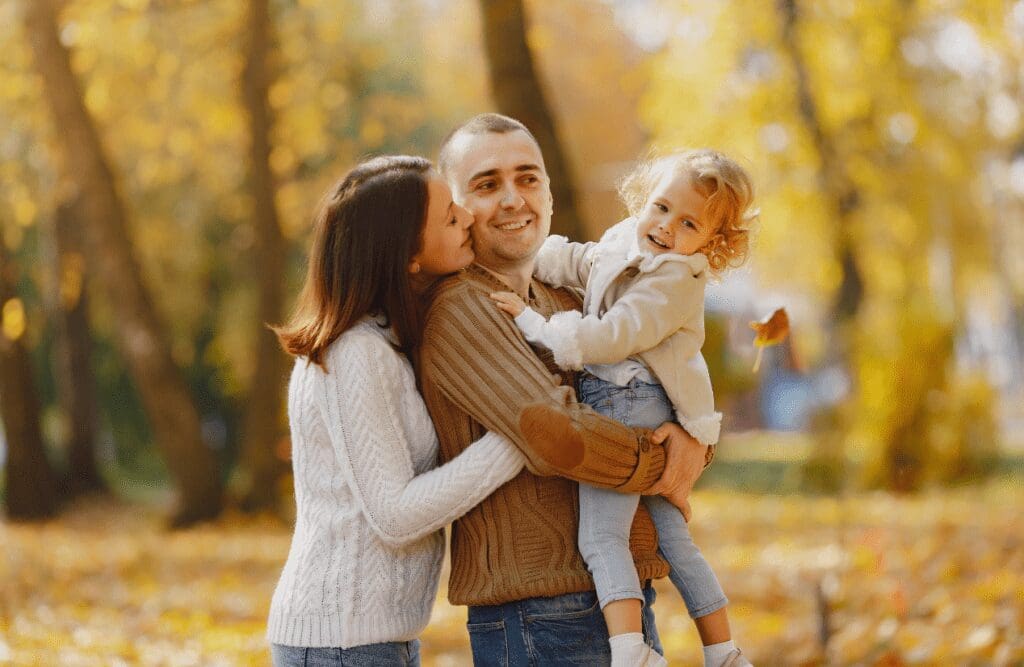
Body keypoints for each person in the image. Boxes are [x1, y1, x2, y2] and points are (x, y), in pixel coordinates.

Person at [417, 114, 713, 666]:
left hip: (615, 598)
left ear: (549, 193)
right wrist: (665, 463)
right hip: (537, 615)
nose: (513, 199)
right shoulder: (463, 309)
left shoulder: (570, 301)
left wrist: (695, 444)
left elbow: (662, 383)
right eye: (487, 185)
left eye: (528, 178)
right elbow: (559, 436)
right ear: (456, 210)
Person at [490, 149, 758, 667]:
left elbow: (617, 335)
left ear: (712, 243)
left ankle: (630, 651)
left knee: (600, 535)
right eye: (660, 207)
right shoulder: (627, 239)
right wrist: (527, 257)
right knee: (671, 537)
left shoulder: (675, 280)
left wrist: (537, 325)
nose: (664, 227)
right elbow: (583, 261)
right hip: (639, 399)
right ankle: (724, 652)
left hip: (628, 398)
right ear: (645, 198)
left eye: (688, 223)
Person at [266, 155, 531, 667]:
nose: (470, 219)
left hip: (365, 638)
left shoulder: (379, 342)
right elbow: (395, 514)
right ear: (408, 255)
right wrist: (519, 437)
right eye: (451, 217)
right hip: (343, 643)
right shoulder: (355, 355)